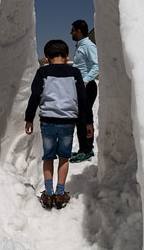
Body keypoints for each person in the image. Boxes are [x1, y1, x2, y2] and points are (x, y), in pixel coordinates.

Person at [25, 40, 94, 210]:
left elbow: (35, 96)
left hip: (48, 120)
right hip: (68, 122)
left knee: (48, 157)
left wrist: (28, 118)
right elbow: (83, 99)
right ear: (67, 56)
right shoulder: (75, 72)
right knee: (64, 157)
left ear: (47, 58)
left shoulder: (43, 72)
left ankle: (48, 194)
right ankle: (60, 193)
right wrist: (88, 122)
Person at [69, 20, 99, 163]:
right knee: (81, 117)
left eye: (73, 30)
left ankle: (87, 149)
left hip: (87, 86)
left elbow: (96, 65)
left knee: (85, 118)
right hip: (82, 86)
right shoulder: (81, 46)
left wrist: (86, 80)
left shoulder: (88, 45)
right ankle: (85, 148)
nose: (71, 33)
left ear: (79, 31)